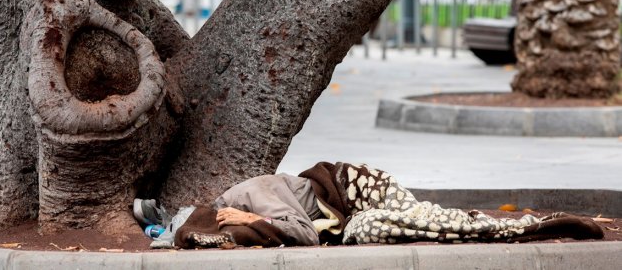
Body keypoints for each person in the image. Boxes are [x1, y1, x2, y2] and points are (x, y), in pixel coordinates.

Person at [134, 162, 603, 249]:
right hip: (352, 218)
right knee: (391, 229)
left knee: (425, 220)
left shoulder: (248, 195)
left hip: (354, 187)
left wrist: (254, 219)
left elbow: (306, 234)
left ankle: (526, 226)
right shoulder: (238, 208)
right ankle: (497, 227)